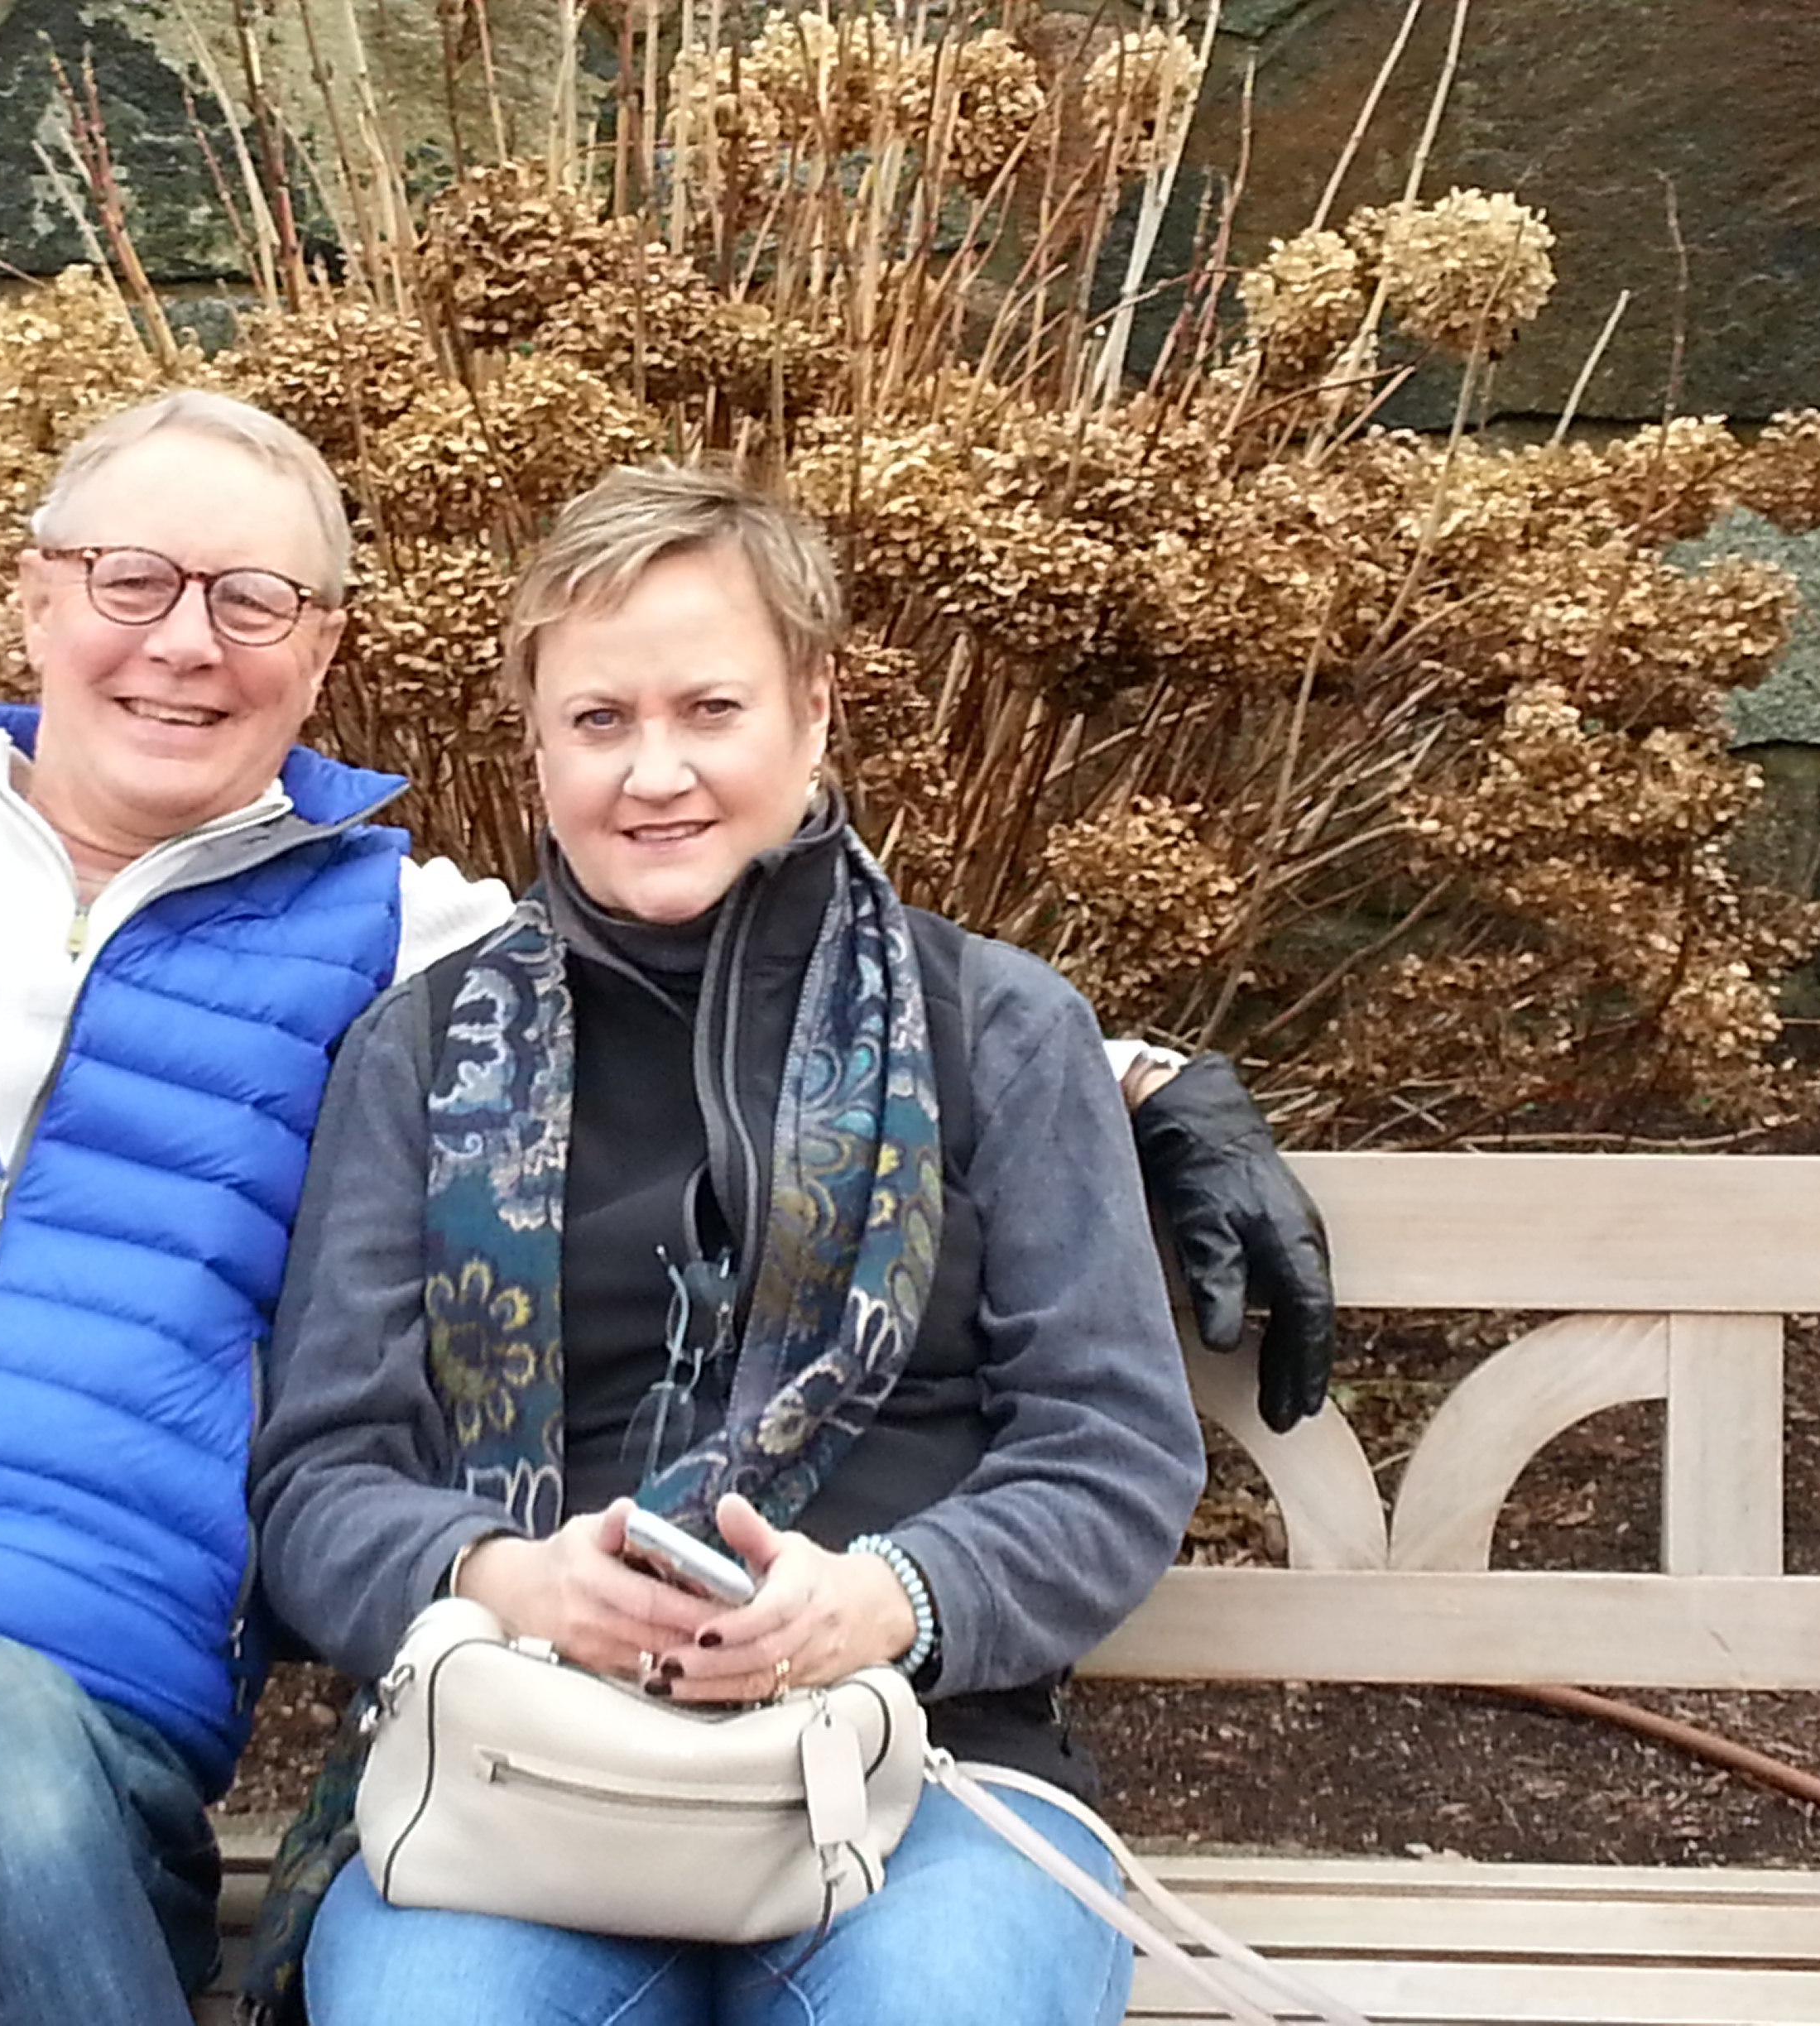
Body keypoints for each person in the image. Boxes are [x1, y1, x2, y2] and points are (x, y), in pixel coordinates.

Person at [0, 395, 1321, 2026]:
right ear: (32, 599)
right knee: (58, 1796)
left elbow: (816, 1028)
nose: (184, 640)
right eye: (131, 580)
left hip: (848, 1761)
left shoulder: (417, 940)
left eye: (252, 599)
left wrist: (1138, 1091)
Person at [249, 462, 1207, 2026]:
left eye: (711, 709)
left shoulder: (1000, 1032)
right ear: (537, 744)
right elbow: (322, 1475)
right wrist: (507, 1582)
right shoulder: (418, 1056)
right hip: (522, 1768)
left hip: (926, 1767)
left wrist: (889, 1600)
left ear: (814, 708)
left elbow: (1111, 1448)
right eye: (598, 720)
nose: (655, 772)